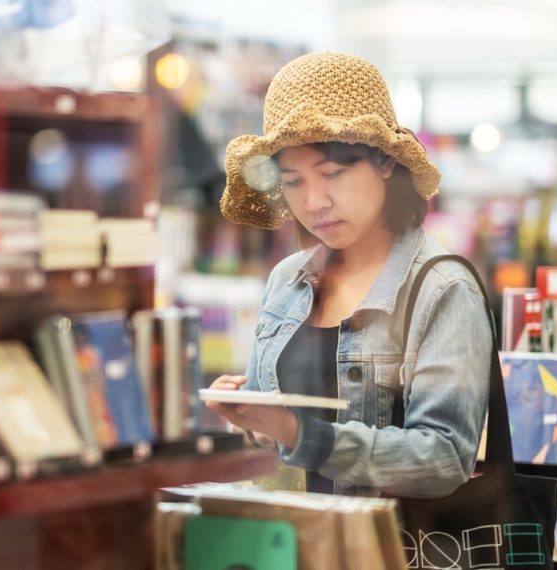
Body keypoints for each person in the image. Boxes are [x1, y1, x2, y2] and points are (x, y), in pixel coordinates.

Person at [206, 52, 492, 498]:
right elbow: (277, 438)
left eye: (332, 173)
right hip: (290, 544)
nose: (314, 201)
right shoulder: (288, 280)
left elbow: (444, 456)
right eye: (294, 181)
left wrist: (307, 437)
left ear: (385, 163)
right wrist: (249, 418)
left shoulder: (441, 288)